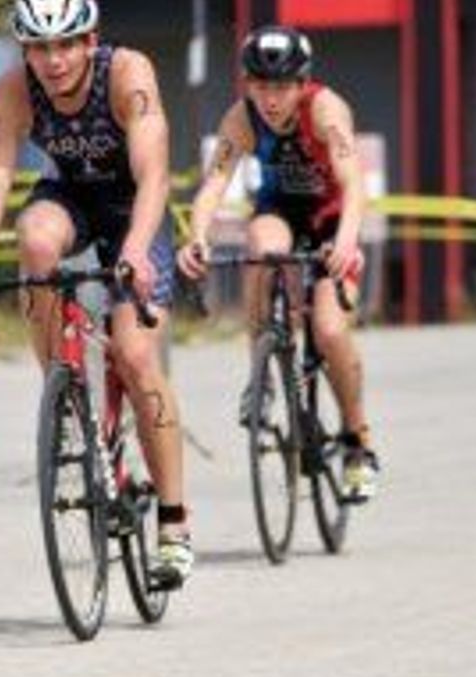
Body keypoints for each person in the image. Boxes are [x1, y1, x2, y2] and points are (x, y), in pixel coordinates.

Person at [0, 0, 192, 587]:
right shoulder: (11, 91)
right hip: (71, 199)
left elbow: (154, 174)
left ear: (89, 41)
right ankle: (61, 390)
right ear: (25, 50)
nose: (53, 60)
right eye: (39, 47)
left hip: (135, 210)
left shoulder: (127, 73)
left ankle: (173, 524)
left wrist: (136, 251)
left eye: (65, 44)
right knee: (35, 240)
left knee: (135, 355)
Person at [178, 24, 381, 501]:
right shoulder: (241, 118)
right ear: (248, 84)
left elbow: (353, 183)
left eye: (283, 87)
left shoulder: (325, 109)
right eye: (261, 86)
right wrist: (197, 238)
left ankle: (358, 441)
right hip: (280, 212)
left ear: (301, 83)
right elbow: (213, 184)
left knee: (329, 330)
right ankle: (263, 371)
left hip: (332, 220)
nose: (271, 98)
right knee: (261, 244)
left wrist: (346, 243)